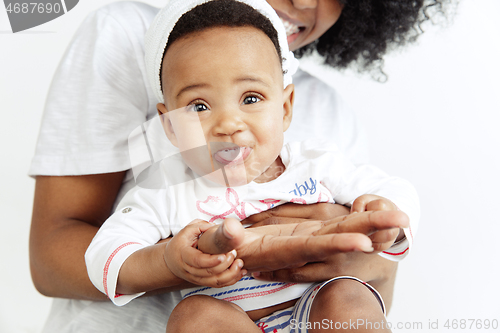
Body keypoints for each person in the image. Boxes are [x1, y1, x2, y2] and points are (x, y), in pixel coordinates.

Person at [29, 0, 444, 332]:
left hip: (313, 314)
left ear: (285, 108)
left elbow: (392, 196)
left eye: (251, 99)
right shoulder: (167, 192)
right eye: (200, 106)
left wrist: (380, 225)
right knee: (197, 319)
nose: (228, 124)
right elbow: (102, 253)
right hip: (219, 319)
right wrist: (169, 262)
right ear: (169, 125)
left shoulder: (317, 160)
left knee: (350, 298)